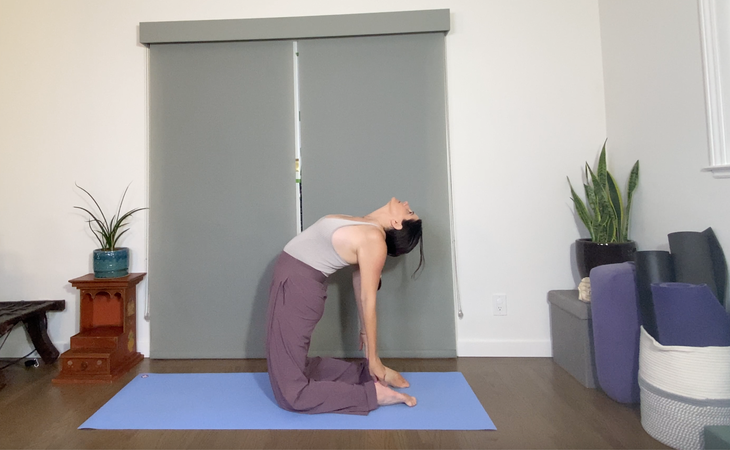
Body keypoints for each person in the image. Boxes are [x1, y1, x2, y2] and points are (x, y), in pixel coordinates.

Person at [265, 197, 424, 415]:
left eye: (409, 212)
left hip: (297, 290)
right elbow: (359, 281)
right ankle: (366, 376)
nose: (406, 204)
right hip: (293, 285)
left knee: (290, 395)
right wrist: (364, 337)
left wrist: (374, 357)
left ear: (397, 223)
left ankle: (373, 395)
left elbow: (369, 298)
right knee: (296, 368)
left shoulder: (374, 239)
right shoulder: (366, 225)